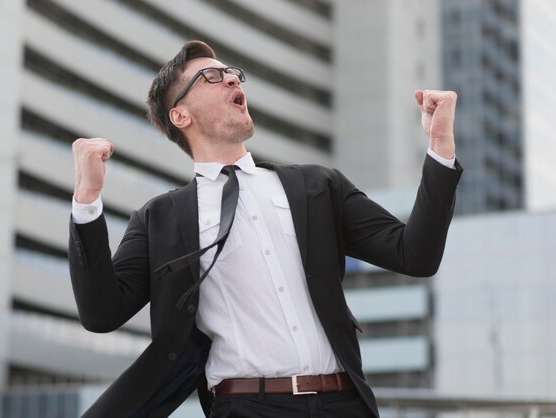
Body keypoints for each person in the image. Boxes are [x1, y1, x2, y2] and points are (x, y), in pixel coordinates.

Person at [68, 40, 462, 418]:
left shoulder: (317, 187)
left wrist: (440, 145)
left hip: (344, 403)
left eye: (232, 74)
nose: (233, 80)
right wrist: (88, 199)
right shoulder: (160, 218)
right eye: (210, 77)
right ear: (180, 115)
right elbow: (102, 313)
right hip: (246, 408)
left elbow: (416, 254)